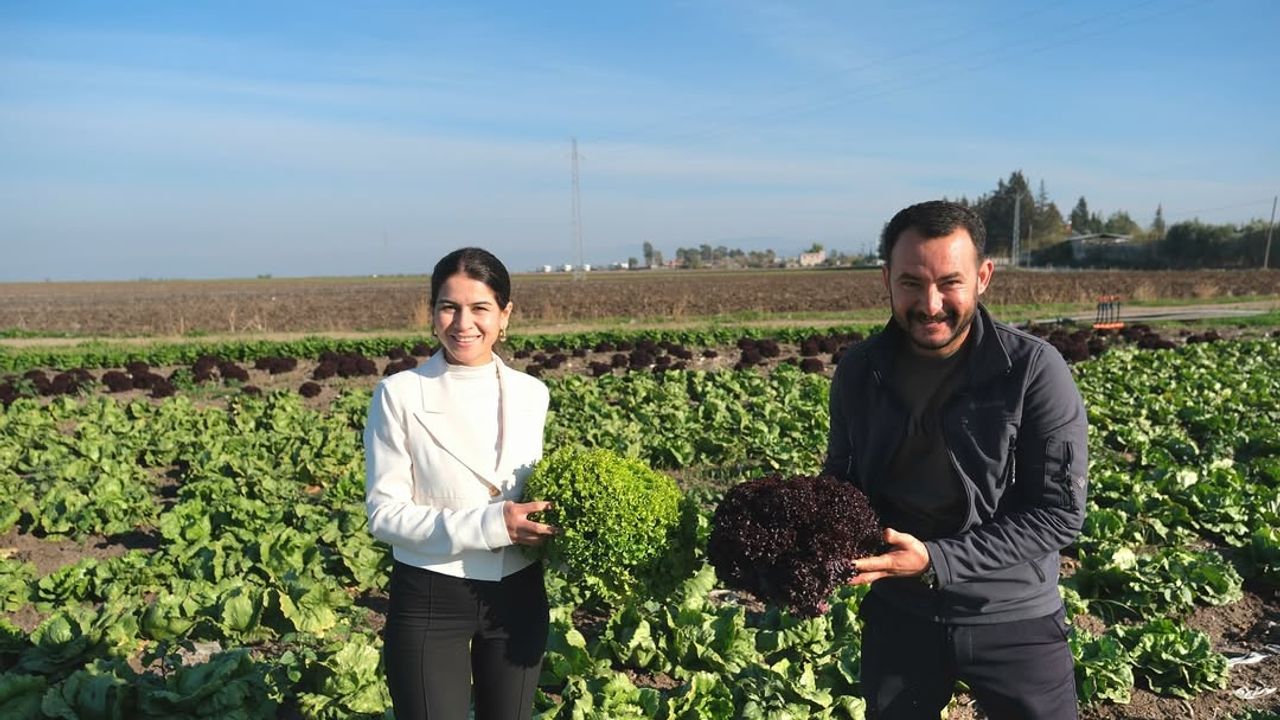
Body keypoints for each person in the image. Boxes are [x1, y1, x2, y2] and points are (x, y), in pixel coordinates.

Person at [823, 201, 1088, 719]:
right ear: (885, 279)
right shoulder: (859, 372)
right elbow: (843, 482)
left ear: (983, 276)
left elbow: (1059, 514)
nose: (930, 303)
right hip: (902, 613)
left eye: (950, 282)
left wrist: (937, 560)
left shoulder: (1032, 370)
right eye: (910, 283)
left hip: (1012, 615)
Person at [364, 247, 556, 720]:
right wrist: (492, 526)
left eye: (480, 308)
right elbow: (384, 514)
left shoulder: (533, 394)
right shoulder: (399, 394)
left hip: (518, 595)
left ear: (505, 314)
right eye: (449, 307)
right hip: (432, 596)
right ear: (431, 314)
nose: (462, 323)